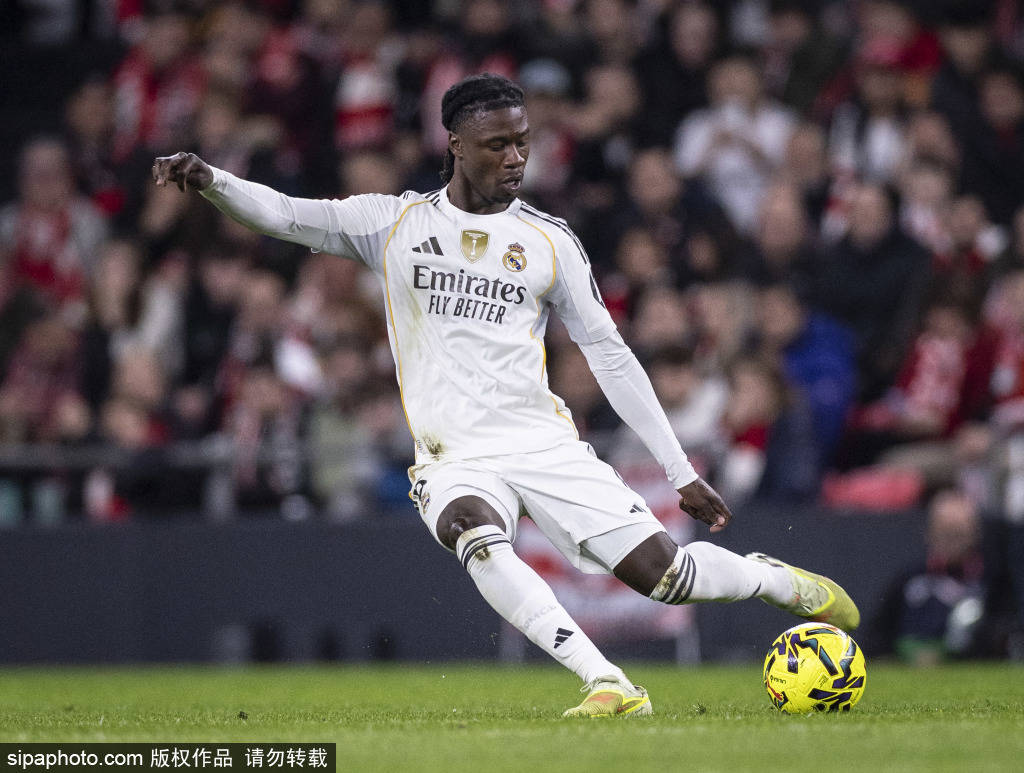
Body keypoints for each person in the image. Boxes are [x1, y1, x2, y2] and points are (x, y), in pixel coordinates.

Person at [151, 73, 858, 718]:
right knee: (474, 533)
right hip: (453, 456)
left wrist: (679, 471)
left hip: (541, 442)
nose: (517, 157)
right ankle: (608, 682)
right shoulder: (394, 224)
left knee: (664, 576)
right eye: (498, 144)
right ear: (456, 145)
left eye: (523, 141)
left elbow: (610, 355)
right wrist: (213, 180)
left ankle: (775, 581)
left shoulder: (549, 241)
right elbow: (284, 214)